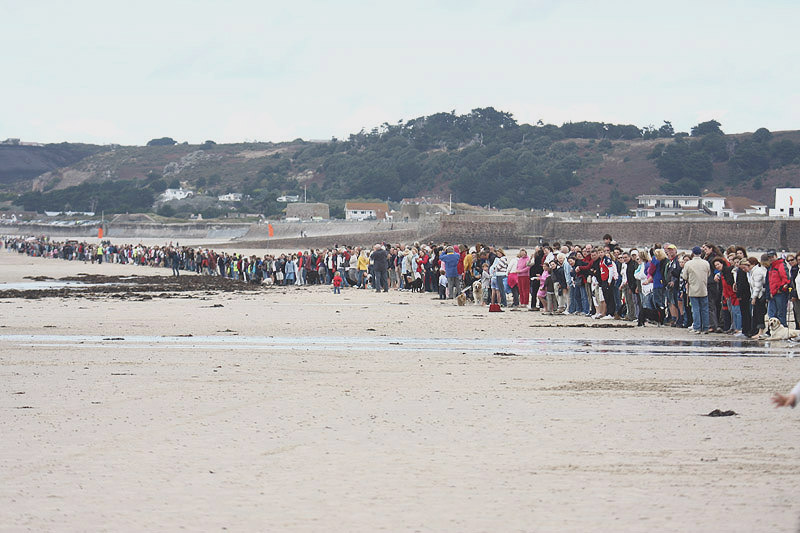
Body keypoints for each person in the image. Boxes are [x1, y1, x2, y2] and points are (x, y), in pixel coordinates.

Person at [682, 246, 711, 334]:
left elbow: (684, 276)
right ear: (700, 253)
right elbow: (708, 274)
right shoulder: (706, 263)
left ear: (693, 253)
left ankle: (697, 327)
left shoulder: (688, 264)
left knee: (695, 309)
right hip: (703, 288)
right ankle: (705, 327)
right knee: (705, 309)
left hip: (693, 289)